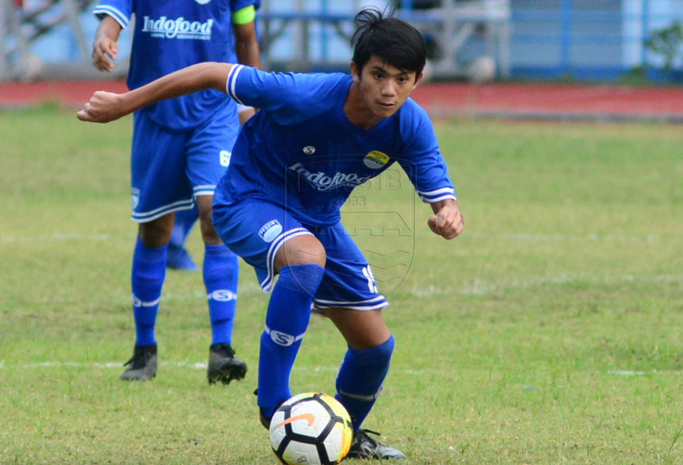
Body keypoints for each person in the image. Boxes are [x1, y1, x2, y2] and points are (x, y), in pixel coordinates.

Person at [79, 8, 464, 459]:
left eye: (402, 79)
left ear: (417, 80)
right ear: (356, 70)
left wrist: (448, 213)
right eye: (378, 75)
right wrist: (124, 104)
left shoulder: (410, 124)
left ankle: (343, 437)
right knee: (305, 260)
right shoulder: (305, 94)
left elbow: (441, 193)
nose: (388, 90)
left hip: (318, 219)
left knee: (376, 347)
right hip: (247, 200)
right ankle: (273, 404)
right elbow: (210, 71)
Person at [91, 0, 262, 384]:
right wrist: (103, 40)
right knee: (155, 230)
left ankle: (222, 350)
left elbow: (246, 37)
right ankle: (144, 350)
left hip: (215, 111)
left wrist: (255, 104)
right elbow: (111, 23)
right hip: (154, 113)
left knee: (216, 215)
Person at [167, 105, 257, 272]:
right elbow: (244, 109)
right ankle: (172, 241)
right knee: (209, 197)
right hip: (179, 124)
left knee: (211, 199)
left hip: (217, 129)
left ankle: (174, 240)